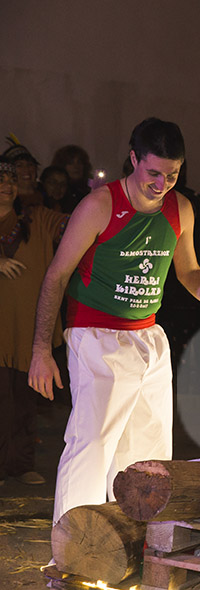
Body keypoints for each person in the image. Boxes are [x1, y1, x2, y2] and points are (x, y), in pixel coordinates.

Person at [27, 118, 200, 524]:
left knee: (148, 449)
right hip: (95, 334)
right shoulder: (100, 205)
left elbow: (189, 272)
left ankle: (134, 538)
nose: (162, 183)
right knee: (92, 444)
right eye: (153, 172)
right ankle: (72, 542)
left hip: (148, 335)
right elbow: (56, 275)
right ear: (133, 159)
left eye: (172, 174)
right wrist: (41, 349)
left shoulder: (180, 207)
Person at [1, 158, 69, 487]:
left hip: (24, 326)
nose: (6, 184)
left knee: (23, 399)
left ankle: (20, 463)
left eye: (11, 178)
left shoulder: (36, 218)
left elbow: (73, 224)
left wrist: (103, 201)